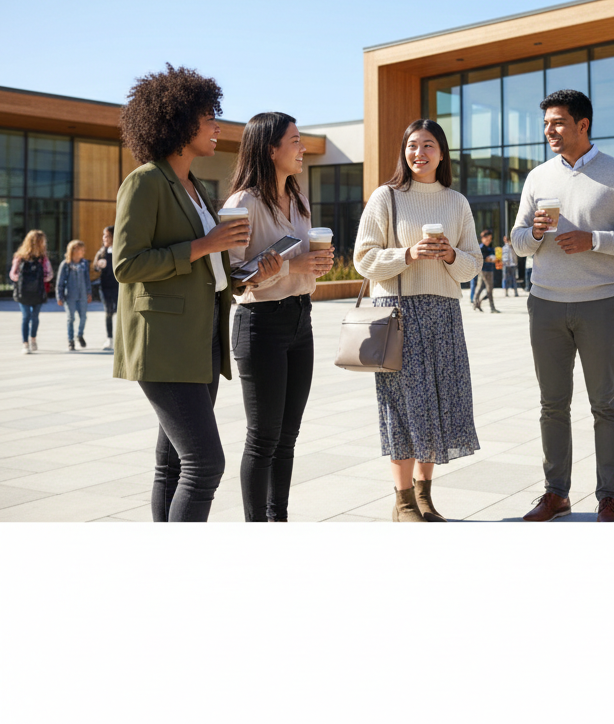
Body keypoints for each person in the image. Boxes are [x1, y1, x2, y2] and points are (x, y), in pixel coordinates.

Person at [113, 64, 248, 522]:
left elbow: (207, 265)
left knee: (172, 463)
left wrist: (247, 270)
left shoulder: (195, 188)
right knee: (206, 464)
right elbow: (127, 265)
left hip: (202, 341)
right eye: (209, 118)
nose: (217, 127)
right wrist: (204, 244)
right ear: (177, 122)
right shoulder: (146, 181)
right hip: (164, 344)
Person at [511, 89, 614, 522]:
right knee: (552, 405)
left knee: (605, 404)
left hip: (599, 305)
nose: (549, 131)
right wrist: (534, 232)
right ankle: (557, 493)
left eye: (557, 123)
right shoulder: (537, 178)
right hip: (546, 305)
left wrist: (595, 240)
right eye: (546, 125)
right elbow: (517, 244)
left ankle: (609, 497)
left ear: (582, 125)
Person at [353, 118, 483, 522]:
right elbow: (364, 259)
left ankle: (425, 497)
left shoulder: (457, 202)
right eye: (412, 145)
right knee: (404, 408)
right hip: (397, 312)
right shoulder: (385, 197)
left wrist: (448, 255)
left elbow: (472, 264)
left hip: (443, 313)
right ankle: (403, 500)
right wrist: (408, 254)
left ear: (442, 154)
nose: (419, 153)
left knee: (438, 405)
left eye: (428, 145)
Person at [223, 112, 335, 522]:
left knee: (287, 437)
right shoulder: (242, 203)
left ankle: (278, 520)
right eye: (295, 140)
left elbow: (305, 261)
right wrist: (291, 266)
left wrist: (315, 266)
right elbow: (234, 275)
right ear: (271, 149)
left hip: (299, 322)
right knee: (263, 438)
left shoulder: (299, 198)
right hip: (260, 324)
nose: (302, 147)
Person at [11, 229, 52, 354]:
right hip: (28, 291)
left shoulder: (42, 258)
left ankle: (32, 339)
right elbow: (49, 275)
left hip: (33, 291)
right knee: (27, 316)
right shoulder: (20, 257)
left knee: (33, 317)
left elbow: (13, 275)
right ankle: (26, 342)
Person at [56, 240, 92, 351]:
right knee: (70, 318)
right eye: (81, 249)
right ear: (74, 250)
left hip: (82, 295)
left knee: (83, 317)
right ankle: (70, 340)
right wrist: (59, 296)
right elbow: (60, 282)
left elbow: (87, 279)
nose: (83, 252)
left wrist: (89, 293)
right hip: (70, 296)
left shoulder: (84, 263)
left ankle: (79, 334)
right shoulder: (66, 265)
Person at [93, 226, 118, 350]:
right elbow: (95, 267)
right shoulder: (102, 251)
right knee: (108, 312)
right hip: (105, 287)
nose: (104, 238)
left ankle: (120, 338)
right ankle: (110, 338)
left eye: (107, 236)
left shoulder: (119, 250)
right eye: (104, 235)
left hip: (119, 287)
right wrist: (98, 265)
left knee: (120, 313)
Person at [472, 229, 499, 312]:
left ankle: (476, 304)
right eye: (487, 239)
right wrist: (490, 260)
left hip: (487, 270)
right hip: (485, 270)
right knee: (489, 289)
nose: (489, 241)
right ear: (483, 238)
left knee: (480, 288)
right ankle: (492, 307)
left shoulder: (488, 247)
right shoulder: (481, 248)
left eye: (490, 239)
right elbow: (481, 259)